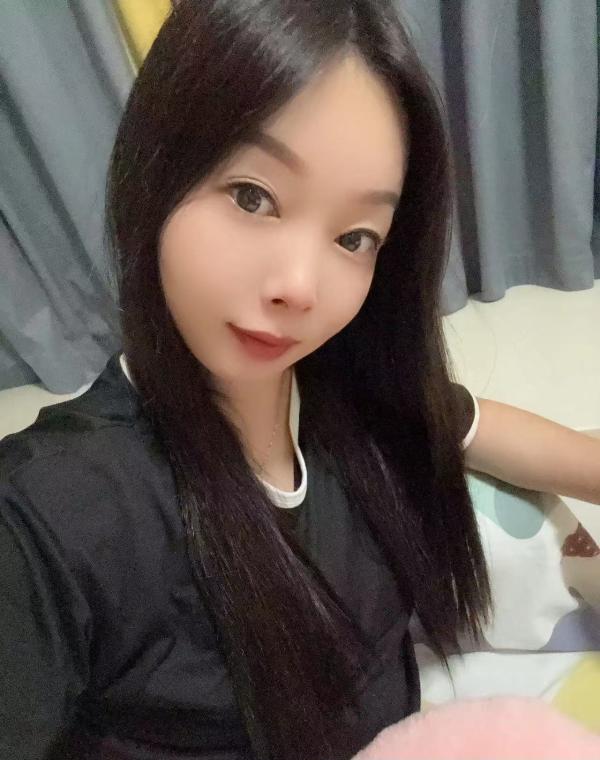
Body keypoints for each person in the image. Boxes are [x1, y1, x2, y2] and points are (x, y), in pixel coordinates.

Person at [1, 1, 598, 759]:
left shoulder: (342, 386)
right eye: (253, 197)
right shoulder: (50, 515)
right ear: (156, 172)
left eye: (354, 237)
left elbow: (471, 423)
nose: (299, 287)